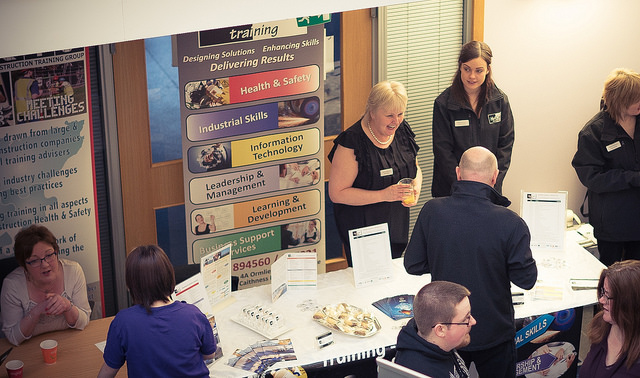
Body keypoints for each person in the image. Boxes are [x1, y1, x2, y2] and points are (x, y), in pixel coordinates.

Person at [404, 146, 537, 377]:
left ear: (458, 173)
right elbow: (526, 280)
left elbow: (412, 264)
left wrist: (443, 259)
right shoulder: (511, 223)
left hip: (447, 331)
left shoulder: (432, 210)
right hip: (494, 331)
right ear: (495, 177)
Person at [328, 80, 422, 266]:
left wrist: (416, 186)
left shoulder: (402, 130)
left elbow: (415, 167)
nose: (396, 121)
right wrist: (384, 195)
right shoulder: (352, 142)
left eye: (400, 114)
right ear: (372, 112)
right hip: (363, 229)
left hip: (396, 224)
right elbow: (337, 193)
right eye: (389, 116)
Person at [98, 245, 217, 378]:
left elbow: (107, 372)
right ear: (170, 276)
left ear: (130, 285)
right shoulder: (194, 314)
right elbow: (209, 354)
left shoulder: (123, 322)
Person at [571, 68, 640, 266]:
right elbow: (592, 178)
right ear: (620, 100)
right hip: (612, 223)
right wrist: (633, 178)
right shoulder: (593, 132)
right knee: (613, 276)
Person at [431, 41, 514, 197]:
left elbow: (505, 148)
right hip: (452, 189)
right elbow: (443, 151)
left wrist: (492, 183)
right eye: (467, 69)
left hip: (489, 189)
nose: (472, 76)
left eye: (479, 70)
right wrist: (463, 185)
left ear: (488, 70)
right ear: (460, 66)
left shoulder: (500, 102)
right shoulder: (444, 104)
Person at [1, 225, 91, 346]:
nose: (45, 264)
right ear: (23, 265)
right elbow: (13, 337)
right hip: (28, 350)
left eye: (49, 255)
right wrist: (36, 312)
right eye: (34, 260)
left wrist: (67, 306)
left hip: (70, 343)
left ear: (56, 251)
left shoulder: (73, 271)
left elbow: (84, 321)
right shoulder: (12, 285)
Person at [395, 281, 475, 378]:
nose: (473, 321)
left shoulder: (430, 334)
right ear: (440, 330)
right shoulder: (420, 372)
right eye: (466, 319)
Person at [580, 260, 640, 377]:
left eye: (608, 296)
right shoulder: (601, 325)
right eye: (603, 292)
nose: (601, 300)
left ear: (630, 304)